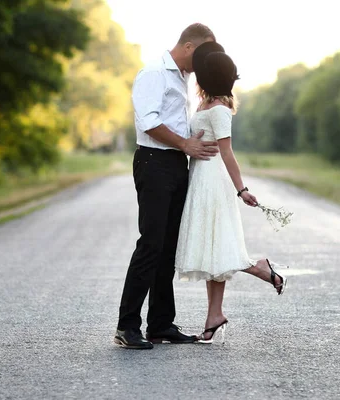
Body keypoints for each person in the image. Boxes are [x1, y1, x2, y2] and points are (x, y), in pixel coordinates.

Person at [114, 23, 219, 350]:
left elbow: (175, 121)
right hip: (154, 161)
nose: (204, 64)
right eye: (202, 55)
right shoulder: (154, 73)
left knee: (168, 247)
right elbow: (149, 121)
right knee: (151, 243)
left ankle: (160, 324)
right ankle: (127, 326)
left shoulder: (183, 78)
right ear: (188, 47)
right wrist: (184, 144)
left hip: (175, 164)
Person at [175, 42, 288, 344]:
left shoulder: (220, 110)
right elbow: (198, 139)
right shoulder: (203, 106)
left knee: (220, 246)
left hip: (215, 182)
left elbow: (227, 153)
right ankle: (214, 315)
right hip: (199, 178)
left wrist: (242, 190)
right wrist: (192, 140)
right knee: (212, 250)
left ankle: (261, 269)